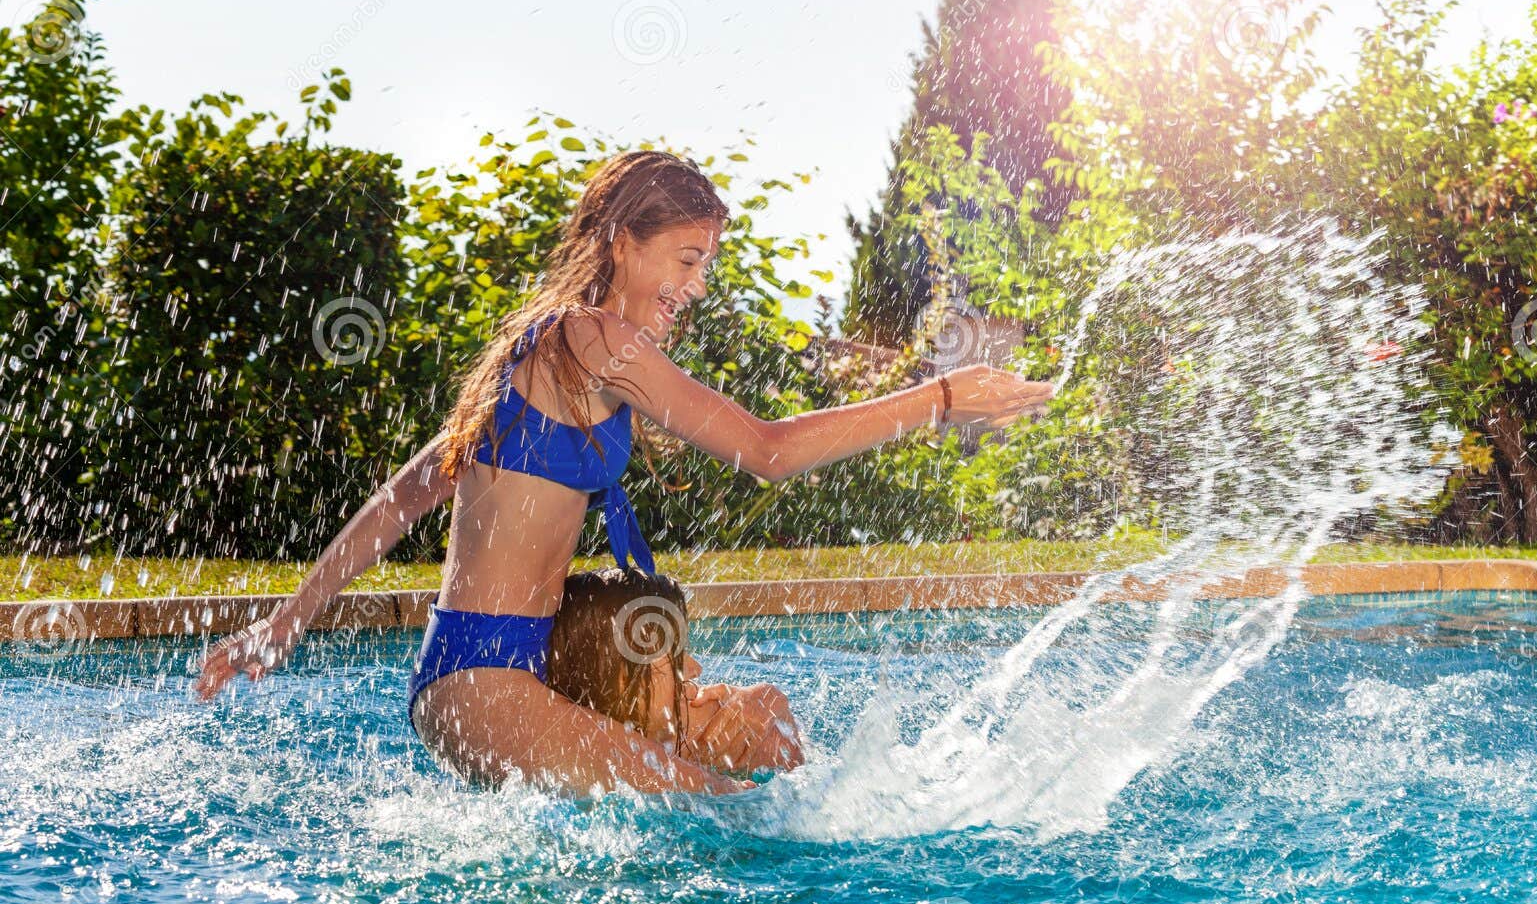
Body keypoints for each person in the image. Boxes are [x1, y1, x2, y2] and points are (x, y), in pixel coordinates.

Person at [193, 150, 1054, 797]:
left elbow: (402, 498)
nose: (698, 284)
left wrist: (283, 625)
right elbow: (768, 451)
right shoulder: (589, 338)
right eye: (685, 259)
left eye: (706, 263)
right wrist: (942, 398)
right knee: (723, 813)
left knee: (758, 739)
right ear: (621, 243)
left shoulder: (553, 358)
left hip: (497, 671)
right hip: (483, 681)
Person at [546, 566, 802, 779]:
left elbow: (796, 768)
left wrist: (769, 703)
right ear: (622, 679)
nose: (696, 669)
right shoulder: (573, 764)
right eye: (677, 658)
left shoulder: (693, 728)